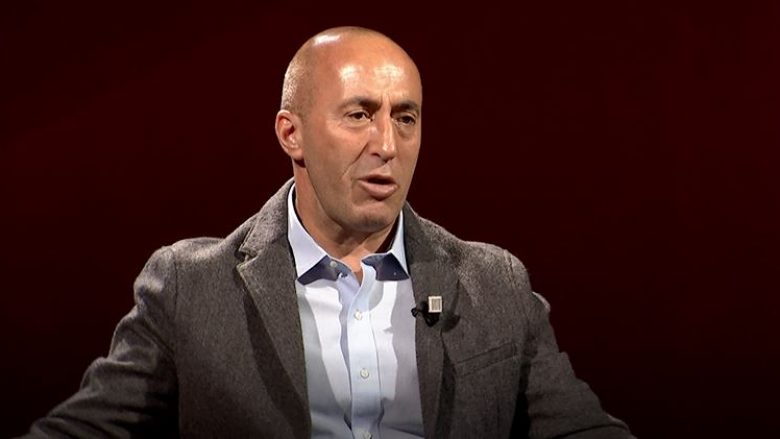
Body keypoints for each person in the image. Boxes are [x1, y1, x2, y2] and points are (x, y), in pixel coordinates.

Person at [21, 26, 634, 438]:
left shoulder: (493, 283)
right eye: (359, 114)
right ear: (292, 134)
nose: (387, 144)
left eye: (406, 118)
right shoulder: (190, 288)